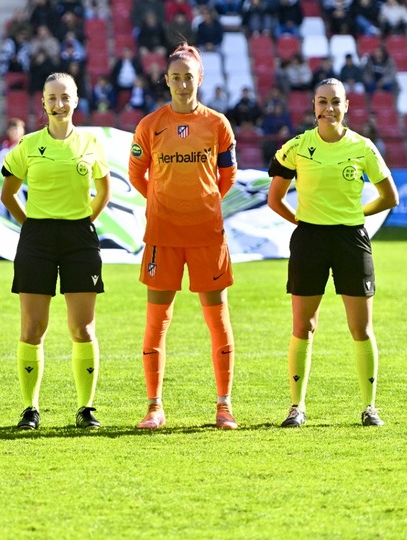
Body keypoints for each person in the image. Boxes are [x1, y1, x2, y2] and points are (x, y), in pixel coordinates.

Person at [266, 77, 399, 428]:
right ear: (313, 106)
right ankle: (297, 408)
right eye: (322, 102)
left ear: (346, 106)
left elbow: (390, 197)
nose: (329, 109)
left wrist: (357, 216)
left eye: (335, 102)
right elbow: (274, 198)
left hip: (351, 241)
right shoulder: (296, 147)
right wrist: (301, 221)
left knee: (361, 328)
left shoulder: (363, 147)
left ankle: (370, 408)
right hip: (309, 240)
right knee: (303, 326)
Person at [128, 43, 240, 431]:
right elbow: (135, 174)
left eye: (188, 76)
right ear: (166, 80)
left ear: (200, 79)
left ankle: (224, 406)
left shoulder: (218, 124)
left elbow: (227, 176)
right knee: (157, 321)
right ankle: (154, 407)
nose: (181, 83)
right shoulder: (150, 125)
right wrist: (163, 202)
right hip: (163, 234)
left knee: (217, 319)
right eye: (175, 77)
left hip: (208, 234)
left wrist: (203, 203)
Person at [0, 72, 111, 430]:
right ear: (43, 102)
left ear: (76, 99)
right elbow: (7, 193)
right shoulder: (28, 145)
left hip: (80, 238)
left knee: (83, 328)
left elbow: (103, 192)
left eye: (65, 97)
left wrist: (83, 222)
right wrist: (31, 225)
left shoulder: (91, 142)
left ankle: (86, 408)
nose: (59, 104)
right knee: (33, 328)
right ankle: (30, 408)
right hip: (38, 239)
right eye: (52, 98)